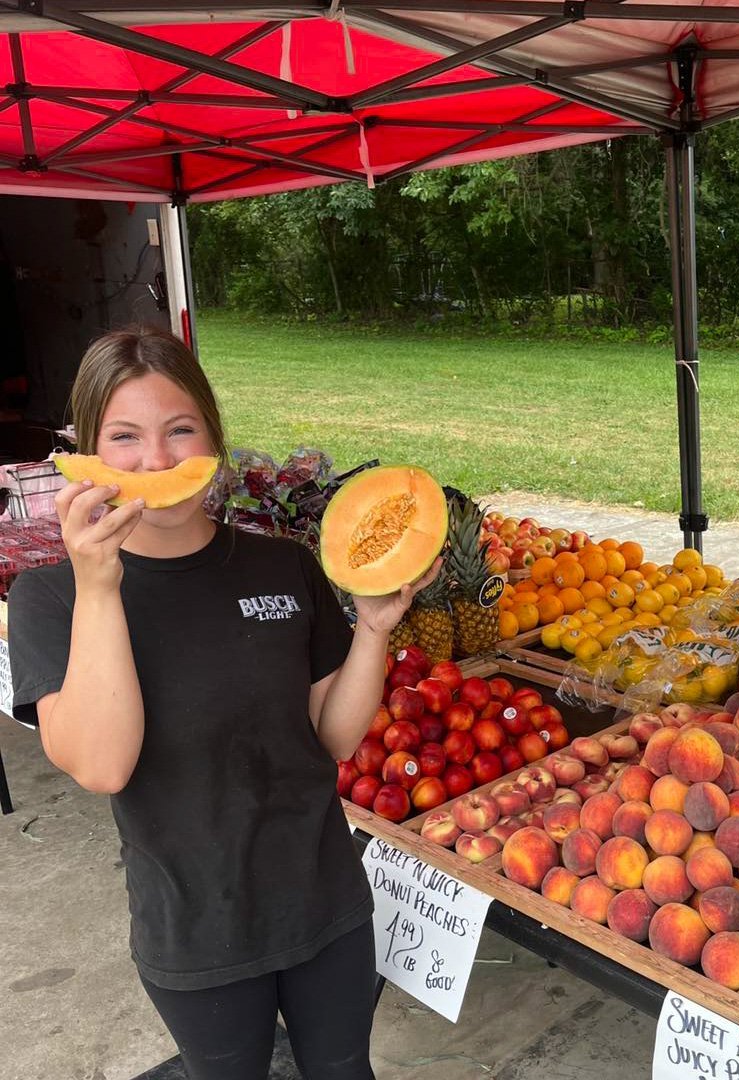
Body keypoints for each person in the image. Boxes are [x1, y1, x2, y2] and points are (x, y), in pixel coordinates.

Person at [9, 326, 435, 1080]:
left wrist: (371, 633)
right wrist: (101, 585)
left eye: (181, 430)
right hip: (196, 930)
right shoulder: (51, 597)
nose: (159, 460)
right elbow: (103, 766)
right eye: (125, 437)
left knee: (344, 1071)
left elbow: (332, 739)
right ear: (89, 456)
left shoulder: (285, 566)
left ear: (214, 436)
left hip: (324, 897)